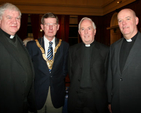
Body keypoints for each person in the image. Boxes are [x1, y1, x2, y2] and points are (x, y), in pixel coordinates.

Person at [26, 12, 69, 113]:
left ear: (57, 27)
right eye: (47, 24)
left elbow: (64, 69)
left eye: (53, 24)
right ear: (42, 26)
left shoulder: (64, 46)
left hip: (57, 93)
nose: (50, 28)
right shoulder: (32, 46)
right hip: (37, 93)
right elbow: (29, 70)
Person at [0, 3, 36, 113]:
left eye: (17, 18)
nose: (14, 21)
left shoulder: (19, 40)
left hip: (24, 104)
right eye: (9, 17)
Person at [68, 17, 109, 113]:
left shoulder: (105, 51)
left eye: (89, 28)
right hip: (76, 98)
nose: (86, 32)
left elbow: (107, 76)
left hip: (96, 99)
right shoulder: (72, 50)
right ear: (79, 32)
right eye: (82, 29)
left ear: (94, 31)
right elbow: (70, 72)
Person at [107, 8, 141, 113]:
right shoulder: (114, 47)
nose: (123, 23)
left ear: (136, 21)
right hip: (117, 104)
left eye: (127, 18)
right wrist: (110, 100)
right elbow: (110, 75)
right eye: (120, 20)